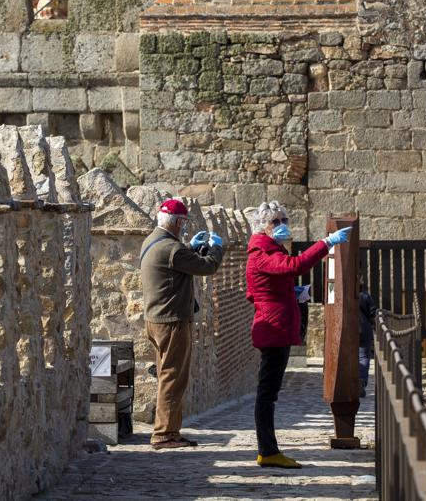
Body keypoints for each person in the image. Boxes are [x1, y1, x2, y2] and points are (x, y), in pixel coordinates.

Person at [246, 202, 351, 468]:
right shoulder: (261, 251)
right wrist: (326, 243)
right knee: (267, 394)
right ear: (263, 226)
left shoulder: (269, 248)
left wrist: (288, 294)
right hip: (273, 329)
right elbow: (294, 266)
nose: (282, 226)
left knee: (269, 392)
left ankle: (268, 450)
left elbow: (257, 290)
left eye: (284, 220)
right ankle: (267, 451)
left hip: (275, 324)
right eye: (276, 222)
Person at [140, 198, 225, 450]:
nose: (184, 227)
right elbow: (208, 267)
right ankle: (164, 434)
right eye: (184, 223)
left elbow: (174, 261)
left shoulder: (153, 242)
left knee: (168, 375)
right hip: (172, 321)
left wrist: (190, 246)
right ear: (176, 222)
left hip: (156, 320)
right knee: (173, 377)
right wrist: (215, 248)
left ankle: (170, 431)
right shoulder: (172, 249)